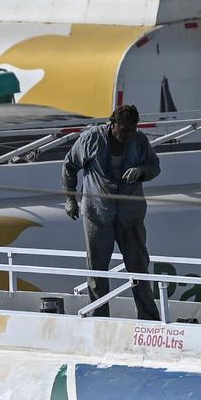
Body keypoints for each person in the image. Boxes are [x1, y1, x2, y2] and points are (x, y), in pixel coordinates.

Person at [61, 104, 161, 320]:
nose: (128, 134)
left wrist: (141, 171)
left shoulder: (139, 141)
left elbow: (155, 166)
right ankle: (99, 319)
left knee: (139, 267)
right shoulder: (91, 140)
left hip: (130, 215)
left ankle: (149, 318)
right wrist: (70, 198)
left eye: (132, 129)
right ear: (112, 123)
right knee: (97, 271)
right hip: (98, 215)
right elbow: (69, 165)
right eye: (124, 129)